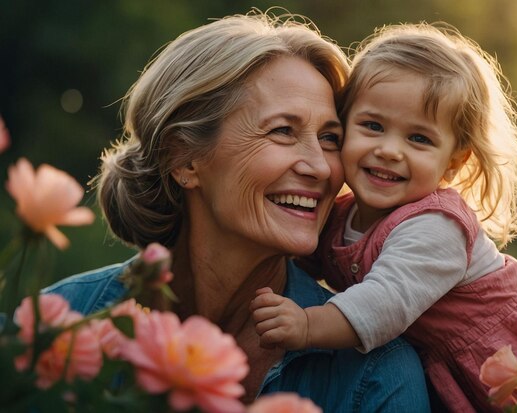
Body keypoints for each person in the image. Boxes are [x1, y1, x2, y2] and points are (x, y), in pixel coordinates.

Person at [42, 11, 431, 411]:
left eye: (330, 138)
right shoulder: (56, 327)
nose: (320, 167)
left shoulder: (376, 373)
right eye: (283, 131)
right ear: (185, 159)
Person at [250, 22, 517, 412]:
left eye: (419, 139)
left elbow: (384, 302)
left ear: (453, 161)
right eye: (373, 126)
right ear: (344, 125)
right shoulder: (340, 216)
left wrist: (307, 326)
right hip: (454, 367)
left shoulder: (436, 225)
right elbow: (300, 259)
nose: (390, 150)